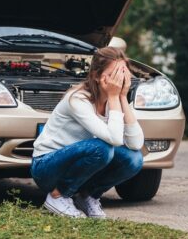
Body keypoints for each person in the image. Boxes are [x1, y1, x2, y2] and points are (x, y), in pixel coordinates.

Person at [31, 46, 145, 218]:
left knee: (134, 159)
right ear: (97, 76)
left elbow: (135, 144)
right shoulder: (77, 99)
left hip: (75, 166)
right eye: (113, 74)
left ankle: (87, 196)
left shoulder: (112, 99)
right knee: (102, 149)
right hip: (46, 167)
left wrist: (122, 96)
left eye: (122, 74)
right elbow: (113, 139)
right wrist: (115, 96)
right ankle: (57, 195)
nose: (118, 80)